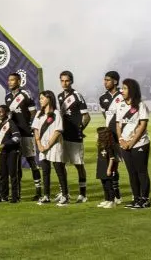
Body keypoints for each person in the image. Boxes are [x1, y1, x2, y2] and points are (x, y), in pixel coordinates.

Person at [5, 72, 42, 199]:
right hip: (15, 135)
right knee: (16, 163)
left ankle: (38, 191)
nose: (10, 82)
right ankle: (17, 192)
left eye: (13, 80)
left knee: (32, 161)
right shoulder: (8, 97)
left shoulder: (25, 94)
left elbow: (33, 112)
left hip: (26, 134)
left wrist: (31, 127)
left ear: (19, 81)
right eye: (9, 80)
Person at [116, 78, 151, 208]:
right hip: (124, 144)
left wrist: (131, 142)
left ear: (132, 90)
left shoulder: (141, 105)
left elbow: (143, 126)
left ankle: (145, 199)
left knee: (141, 171)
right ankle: (136, 199)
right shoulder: (120, 105)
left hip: (140, 144)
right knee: (131, 173)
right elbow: (118, 125)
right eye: (122, 88)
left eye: (125, 88)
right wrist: (121, 140)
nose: (122, 90)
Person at [57, 71, 90, 202]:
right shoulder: (59, 97)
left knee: (79, 165)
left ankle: (83, 194)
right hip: (63, 136)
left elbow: (86, 116)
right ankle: (64, 192)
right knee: (61, 164)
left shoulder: (77, 96)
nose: (64, 83)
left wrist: (80, 129)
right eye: (62, 81)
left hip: (75, 137)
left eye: (67, 81)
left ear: (71, 81)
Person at [33, 90, 68, 205]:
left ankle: (65, 196)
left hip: (55, 145)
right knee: (45, 171)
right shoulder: (39, 113)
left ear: (49, 98)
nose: (40, 100)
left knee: (59, 171)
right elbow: (36, 130)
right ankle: (46, 196)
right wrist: (39, 145)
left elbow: (58, 131)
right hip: (42, 147)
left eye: (42, 98)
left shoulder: (56, 113)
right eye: (40, 98)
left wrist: (48, 145)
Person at [98, 70, 125, 206]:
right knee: (112, 165)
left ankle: (117, 196)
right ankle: (116, 196)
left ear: (115, 81)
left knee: (118, 164)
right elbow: (106, 116)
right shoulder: (103, 98)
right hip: (109, 135)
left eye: (107, 80)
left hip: (122, 135)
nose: (105, 82)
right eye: (104, 80)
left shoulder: (123, 94)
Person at [0, 105, 22, 203]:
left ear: (6, 113)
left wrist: (5, 144)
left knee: (13, 175)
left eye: (1, 112)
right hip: (3, 153)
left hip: (12, 152)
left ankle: (15, 197)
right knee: (3, 175)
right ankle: (3, 196)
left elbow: (17, 138)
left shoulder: (11, 123)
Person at [95, 126, 118, 208]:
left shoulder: (109, 146)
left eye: (97, 134)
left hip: (107, 168)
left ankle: (112, 201)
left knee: (109, 186)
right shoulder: (100, 145)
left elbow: (112, 159)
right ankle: (107, 200)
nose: (96, 135)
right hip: (101, 167)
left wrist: (109, 169)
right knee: (104, 185)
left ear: (102, 135)